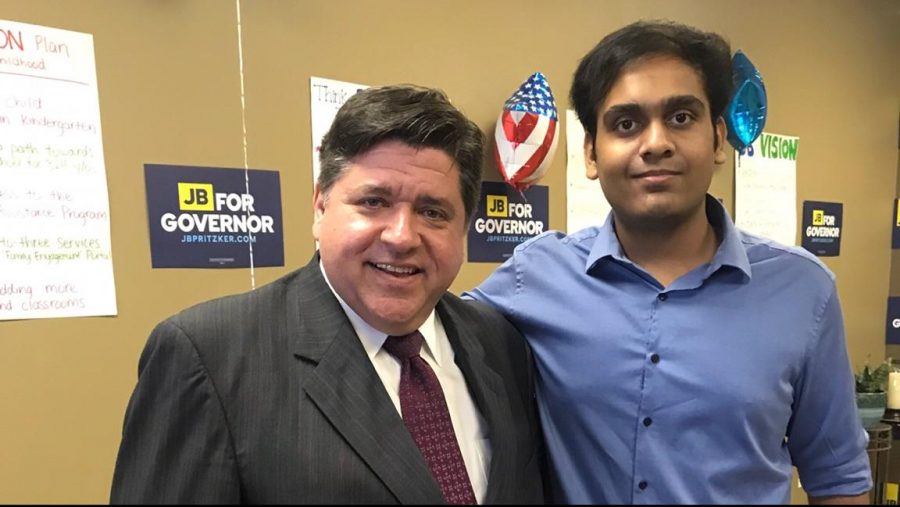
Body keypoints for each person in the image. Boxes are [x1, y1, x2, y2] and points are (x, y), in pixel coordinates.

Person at [465, 20, 871, 505]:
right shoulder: (536, 276)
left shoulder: (804, 292)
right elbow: (430, 348)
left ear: (719, 139)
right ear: (591, 152)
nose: (656, 142)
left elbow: (838, 481)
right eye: (626, 123)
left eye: (681, 117)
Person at [111, 85, 544, 504]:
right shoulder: (209, 358)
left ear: (464, 229)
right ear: (320, 208)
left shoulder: (501, 343)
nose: (401, 236)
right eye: (374, 202)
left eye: (432, 212)